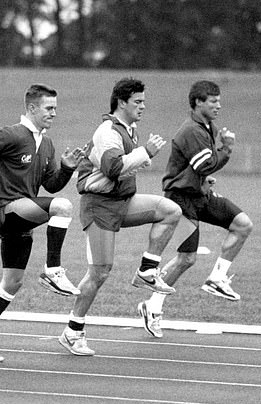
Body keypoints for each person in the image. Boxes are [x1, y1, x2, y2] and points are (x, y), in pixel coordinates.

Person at [0, 83, 84, 362]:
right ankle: (53, 270)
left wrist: (67, 168)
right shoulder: (13, 134)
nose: (54, 113)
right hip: (5, 210)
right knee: (63, 207)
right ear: (32, 108)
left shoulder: (47, 143)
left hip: (23, 218)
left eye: (56, 109)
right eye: (49, 108)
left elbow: (50, 185)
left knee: (12, 282)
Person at [58, 77, 183, 356]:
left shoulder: (130, 128)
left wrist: (142, 156)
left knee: (170, 211)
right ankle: (73, 331)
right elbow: (113, 167)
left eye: (144, 101)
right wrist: (145, 153)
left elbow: (125, 167)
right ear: (121, 102)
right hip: (100, 207)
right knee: (100, 272)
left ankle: (147, 270)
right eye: (138, 101)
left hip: (123, 201)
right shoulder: (106, 131)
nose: (143, 106)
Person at [137, 80, 253, 338]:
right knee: (186, 259)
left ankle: (217, 279)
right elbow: (205, 164)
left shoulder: (206, 126)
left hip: (200, 194)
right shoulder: (191, 130)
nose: (218, 106)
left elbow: (199, 169)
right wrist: (227, 149)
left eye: (219, 101)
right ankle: (152, 307)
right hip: (181, 200)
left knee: (243, 224)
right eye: (213, 101)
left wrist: (203, 179)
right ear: (198, 102)